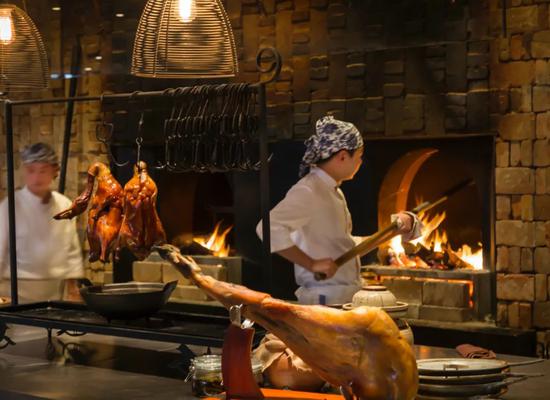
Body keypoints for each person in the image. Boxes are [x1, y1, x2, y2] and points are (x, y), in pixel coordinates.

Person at [257, 116, 421, 305]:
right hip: (323, 300)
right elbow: (267, 228)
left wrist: (392, 231)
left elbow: (346, 246)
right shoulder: (309, 190)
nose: (360, 162)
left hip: (341, 297)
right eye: (359, 156)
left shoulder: (332, 191)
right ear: (343, 156)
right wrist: (311, 264)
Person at [0, 142, 84, 303]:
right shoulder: (10, 206)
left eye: (43, 171)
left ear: (54, 171)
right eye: (31, 170)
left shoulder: (64, 205)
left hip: (53, 291)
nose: (37, 177)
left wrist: (73, 288)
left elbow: (71, 250)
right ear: (24, 171)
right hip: (15, 291)